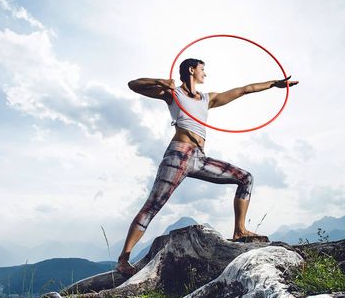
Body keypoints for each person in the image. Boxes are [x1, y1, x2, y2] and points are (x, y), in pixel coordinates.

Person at [116, 58, 299, 277]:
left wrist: (274, 84)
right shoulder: (174, 94)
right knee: (153, 205)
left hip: (199, 158)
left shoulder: (206, 99)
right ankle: (123, 259)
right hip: (178, 155)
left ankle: (240, 231)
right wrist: (161, 82)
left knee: (245, 178)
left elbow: (244, 90)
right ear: (192, 70)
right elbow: (133, 85)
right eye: (203, 69)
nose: (206, 74)